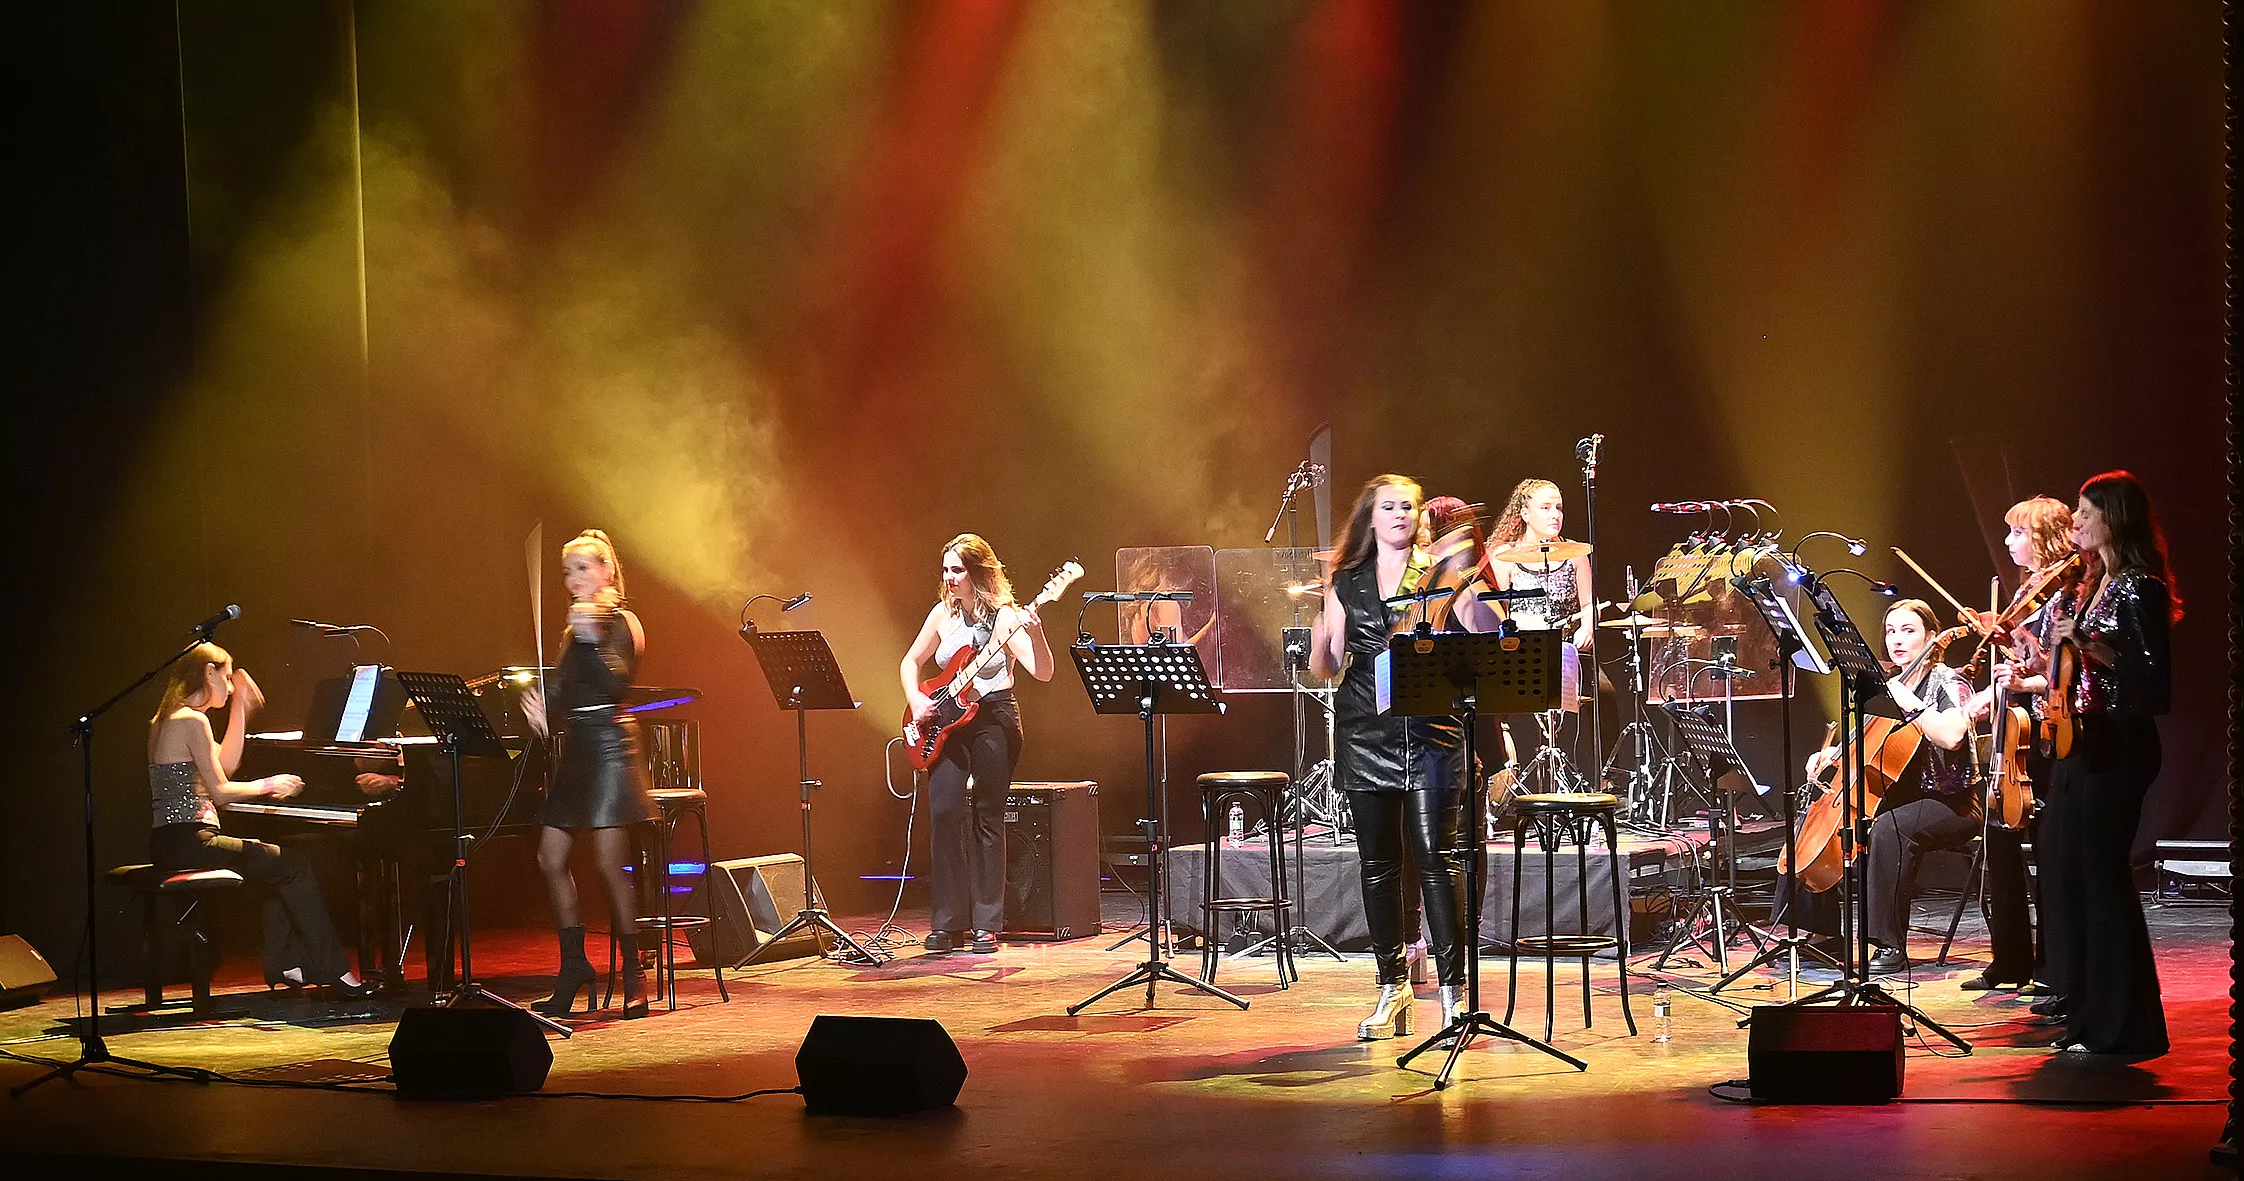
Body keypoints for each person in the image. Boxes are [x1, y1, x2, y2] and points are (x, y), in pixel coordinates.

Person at [1310, 475, 1501, 1039]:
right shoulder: (1346, 581)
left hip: (1432, 725)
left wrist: (1475, 578)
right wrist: (1323, 622)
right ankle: (1392, 988)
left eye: (1408, 507)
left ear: (1421, 517)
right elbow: (1329, 665)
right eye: (1387, 506)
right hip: (1365, 727)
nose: (1398, 515)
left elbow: (1487, 633)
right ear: (1370, 516)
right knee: (1377, 863)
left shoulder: (1444, 573)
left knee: (1436, 856)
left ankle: (1452, 992)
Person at [2017, 471, 2174, 1057]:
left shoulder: (2139, 586)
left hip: (2117, 746)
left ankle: (2124, 1027)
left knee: (2105, 883)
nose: (2075, 523)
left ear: (2114, 518)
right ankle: (2086, 1015)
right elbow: (2079, 672)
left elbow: (2150, 682)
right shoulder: (2094, 585)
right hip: (2081, 743)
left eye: (2085, 513)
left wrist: (2083, 643)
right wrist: (2049, 652)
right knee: (2075, 880)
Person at [146, 643, 370, 996]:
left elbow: (226, 766)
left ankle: (287, 964)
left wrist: (240, 708)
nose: (231, 685)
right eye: (227, 677)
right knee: (294, 864)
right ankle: (335, 971)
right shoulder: (192, 720)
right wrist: (269, 784)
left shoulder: (166, 719)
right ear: (208, 672)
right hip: (193, 842)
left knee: (280, 862)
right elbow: (221, 790)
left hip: (170, 842)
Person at [1783, 599, 1976, 975]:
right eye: (1891, 631)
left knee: (1889, 829)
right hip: (1900, 796)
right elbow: (1867, 739)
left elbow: (1953, 736)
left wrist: (1912, 703)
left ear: (1932, 637)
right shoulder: (1893, 684)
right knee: (1819, 817)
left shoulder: (1948, 680)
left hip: (1950, 801)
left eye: (1909, 630)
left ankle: (1888, 944)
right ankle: (1818, 931)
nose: (1897, 640)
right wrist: (1832, 755)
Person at [523, 529, 657, 1018]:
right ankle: (574, 966)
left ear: (606, 570)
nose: (573, 579)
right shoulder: (572, 626)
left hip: (608, 744)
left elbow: (617, 681)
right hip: (576, 747)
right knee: (550, 856)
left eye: (583, 568)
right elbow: (563, 690)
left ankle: (634, 975)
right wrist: (542, 708)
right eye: (568, 570)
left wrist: (594, 639)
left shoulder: (620, 621)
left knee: (606, 863)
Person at [901, 534, 1055, 956]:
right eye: (946, 569)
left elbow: (1042, 672)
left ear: (978, 572)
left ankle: (987, 924)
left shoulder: (1005, 619)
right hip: (948, 722)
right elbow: (911, 661)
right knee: (945, 812)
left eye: (958, 570)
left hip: (994, 719)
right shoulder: (941, 615)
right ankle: (947, 923)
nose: (949, 578)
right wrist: (917, 698)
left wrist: (1037, 635)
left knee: (988, 817)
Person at [1959, 496, 2075, 992]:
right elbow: (2029, 658)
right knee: (1998, 842)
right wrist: (2001, 641)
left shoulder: (2066, 592)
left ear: (2044, 537)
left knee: (2049, 855)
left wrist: (2019, 675)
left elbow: (2058, 669)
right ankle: (2009, 958)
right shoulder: (2030, 592)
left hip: (2047, 733)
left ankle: (2052, 967)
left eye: (2018, 533)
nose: (2008, 542)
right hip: (2013, 732)